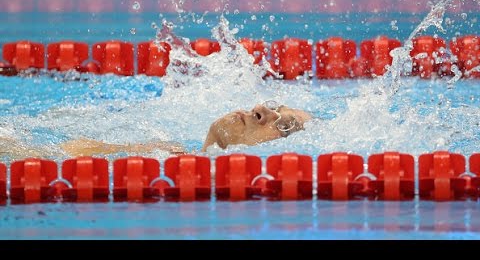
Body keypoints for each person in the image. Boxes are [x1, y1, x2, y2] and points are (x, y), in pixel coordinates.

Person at [0, 100, 311, 159]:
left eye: (277, 123)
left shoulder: (168, 159)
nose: (260, 111)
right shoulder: (170, 149)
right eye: (272, 106)